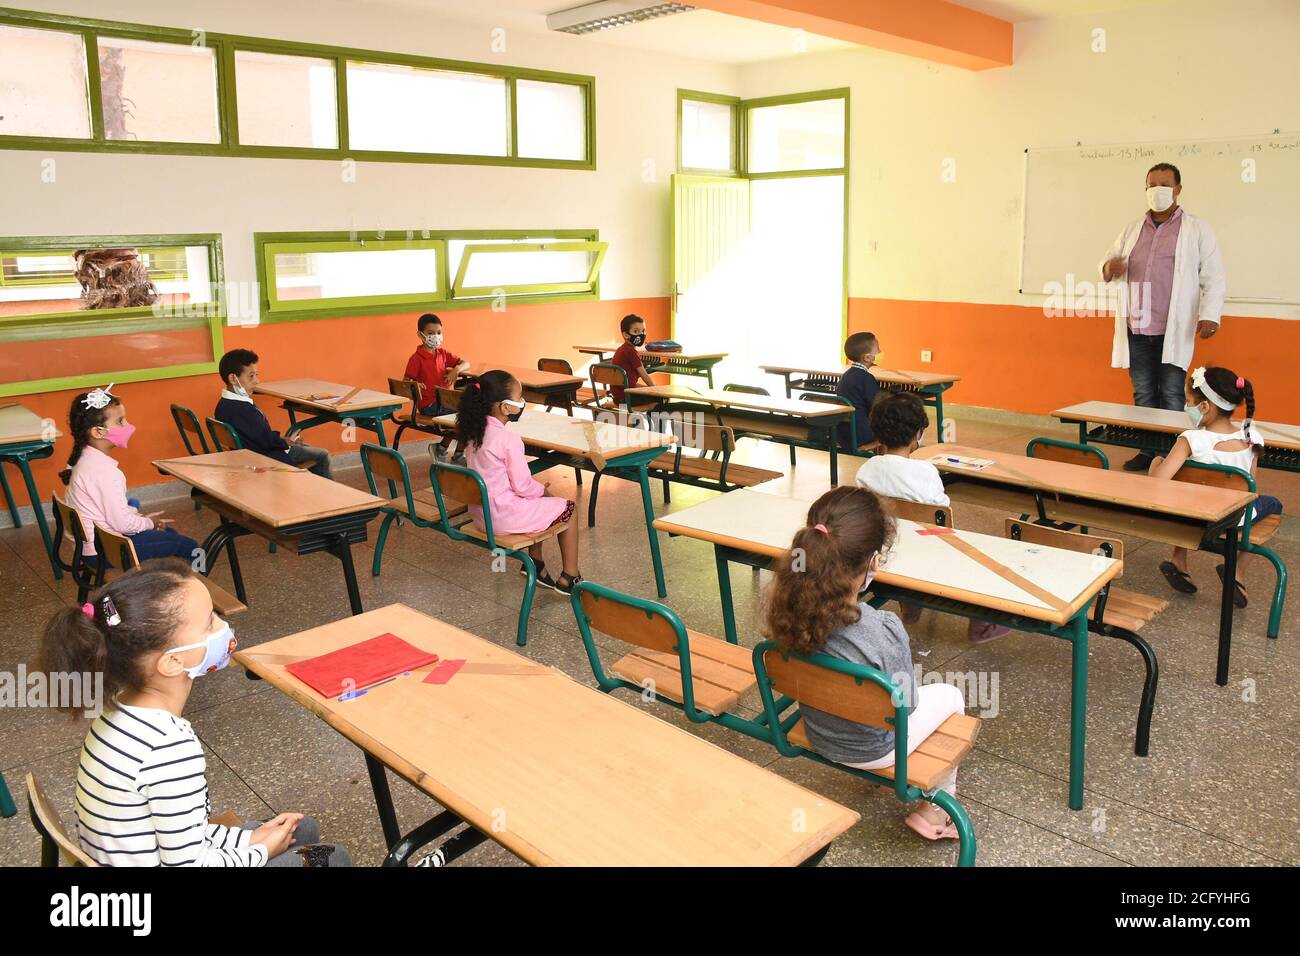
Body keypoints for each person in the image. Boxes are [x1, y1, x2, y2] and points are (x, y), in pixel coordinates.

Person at [40, 559, 351, 866]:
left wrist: (247, 840)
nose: (222, 627)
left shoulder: (116, 711)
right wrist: (261, 852)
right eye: (209, 622)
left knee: (302, 829)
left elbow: (183, 833)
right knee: (332, 858)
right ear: (172, 662)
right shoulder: (168, 747)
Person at [762, 486, 968, 841]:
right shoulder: (884, 630)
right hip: (875, 750)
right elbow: (908, 705)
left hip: (819, 733)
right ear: (874, 561)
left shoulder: (789, 612)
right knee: (950, 695)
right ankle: (934, 811)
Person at [1099, 162, 1226, 471]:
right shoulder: (1132, 230)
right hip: (1137, 326)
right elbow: (1107, 263)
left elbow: (1213, 276)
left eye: (1164, 184)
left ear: (1178, 189)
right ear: (1145, 190)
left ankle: (1173, 455)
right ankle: (1146, 450)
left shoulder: (1197, 229)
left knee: (1171, 392)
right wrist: (1108, 269)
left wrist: (1210, 315)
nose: (1157, 190)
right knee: (1143, 392)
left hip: (1173, 327)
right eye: (1151, 185)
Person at [1149, 366, 1281, 606]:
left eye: (1188, 401)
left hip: (1193, 515)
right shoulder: (1252, 436)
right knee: (1272, 502)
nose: (1185, 407)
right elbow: (1251, 488)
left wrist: (1155, 463)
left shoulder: (1191, 439)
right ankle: (1237, 573)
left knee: (1183, 488)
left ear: (1205, 407)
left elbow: (1157, 483)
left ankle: (1179, 560)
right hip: (1236, 517)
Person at [456, 370, 583, 593]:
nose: (522, 403)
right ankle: (570, 577)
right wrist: (544, 491)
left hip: (481, 515)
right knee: (568, 508)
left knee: (537, 505)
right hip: (502, 518)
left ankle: (536, 563)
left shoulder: (472, 431)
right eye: (519, 398)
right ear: (505, 407)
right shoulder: (508, 439)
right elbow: (523, 487)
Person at [62, 385, 197, 563]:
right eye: (120, 421)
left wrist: (136, 516)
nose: (128, 425)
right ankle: (198, 586)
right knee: (192, 547)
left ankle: (180, 580)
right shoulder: (106, 472)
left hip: (95, 544)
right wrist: (151, 523)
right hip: (108, 549)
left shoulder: (82, 459)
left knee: (165, 531)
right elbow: (121, 524)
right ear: (97, 432)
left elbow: (110, 515)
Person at [214, 349, 331, 477]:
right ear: (233, 378)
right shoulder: (243, 410)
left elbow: (258, 435)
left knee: (305, 447)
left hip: (247, 454)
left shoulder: (223, 405)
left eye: (256, 375)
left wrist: (284, 440)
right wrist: (286, 441)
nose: (257, 381)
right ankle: (330, 495)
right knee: (322, 455)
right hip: (263, 458)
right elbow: (265, 441)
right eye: (251, 376)